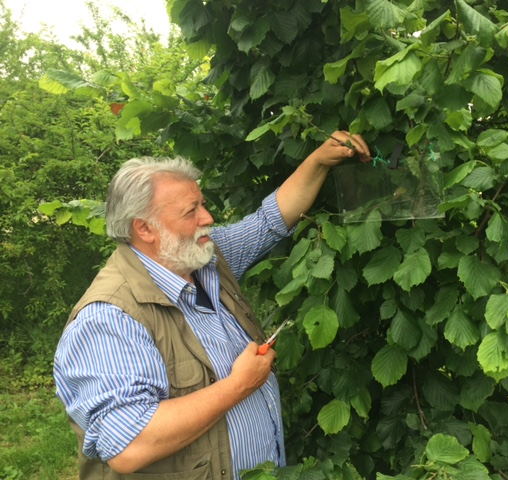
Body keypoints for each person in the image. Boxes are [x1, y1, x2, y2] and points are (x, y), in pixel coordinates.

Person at [53, 131, 370, 480]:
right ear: (145, 229)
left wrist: (319, 160)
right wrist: (239, 385)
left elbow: (269, 221)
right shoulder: (110, 318)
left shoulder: (204, 258)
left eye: (202, 204)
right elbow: (129, 446)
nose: (208, 218)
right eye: (192, 211)